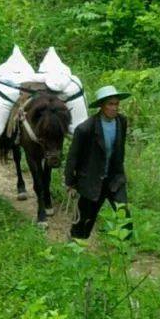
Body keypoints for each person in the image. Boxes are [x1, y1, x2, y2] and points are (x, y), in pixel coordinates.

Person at [65, 85, 132, 241]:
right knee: (87, 216)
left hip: (114, 178)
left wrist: (119, 171)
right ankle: (75, 242)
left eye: (116, 104)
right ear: (102, 106)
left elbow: (119, 149)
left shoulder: (121, 122)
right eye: (110, 104)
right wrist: (70, 181)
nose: (114, 108)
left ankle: (126, 249)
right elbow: (73, 156)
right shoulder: (85, 129)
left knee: (124, 212)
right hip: (92, 179)